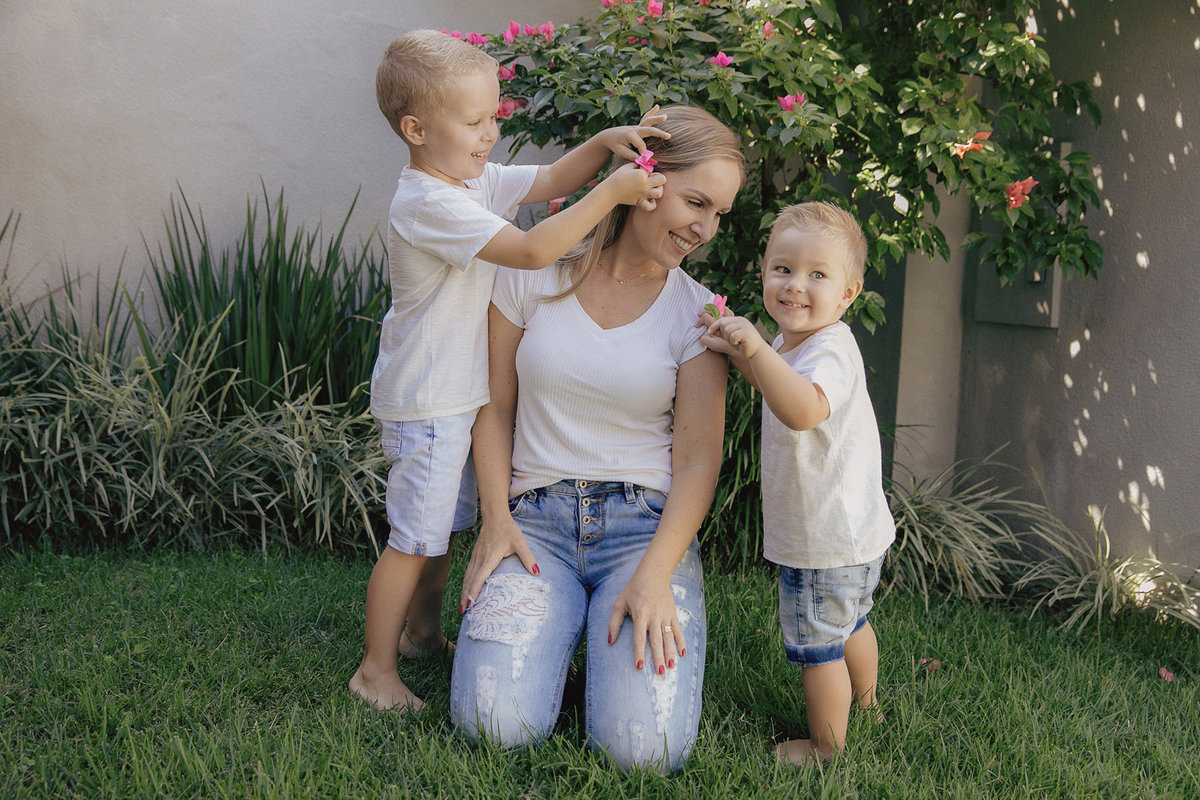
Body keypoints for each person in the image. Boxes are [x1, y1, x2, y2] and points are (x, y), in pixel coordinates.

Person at [349, 29, 667, 713]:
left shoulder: (466, 177)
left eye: (495, 116)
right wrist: (612, 193)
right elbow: (527, 250)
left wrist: (601, 144)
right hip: (428, 401)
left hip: (456, 397)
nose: (492, 132)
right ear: (416, 129)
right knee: (414, 540)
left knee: (443, 529)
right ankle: (375, 670)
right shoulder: (429, 202)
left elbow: (551, 180)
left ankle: (421, 636)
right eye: (475, 121)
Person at [448, 105, 745, 772]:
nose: (705, 228)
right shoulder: (532, 273)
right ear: (646, 180)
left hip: (641, 533)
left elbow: (698, 462)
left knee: (644, 753)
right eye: (696, 202)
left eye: (719, 213)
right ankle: (564, 635)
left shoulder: (699, 315)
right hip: (535, 526)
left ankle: (601, 655)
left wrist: (656, 574)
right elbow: (493, 408)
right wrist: (495, 519)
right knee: (491, 725)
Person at [699, 201, 895, 764]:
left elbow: (803, 409)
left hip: (824, 541)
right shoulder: (795, 345)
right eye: (782, 269)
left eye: (817, 275)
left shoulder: (830, 349)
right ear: (764, 273)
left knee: (819, 645)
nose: (795, 286)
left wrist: (755, 346)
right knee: (852, 620)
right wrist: (740, 351)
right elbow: (774, 382)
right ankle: (869, 703)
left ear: (848, 293)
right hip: (853, 533)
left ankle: (826, 746)